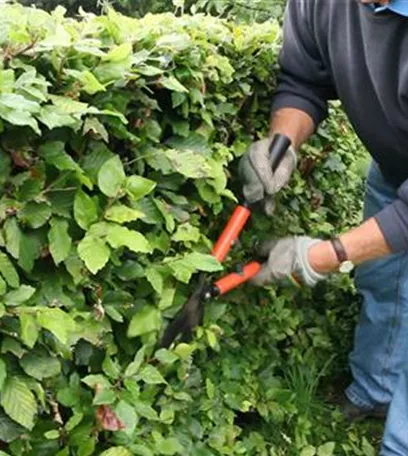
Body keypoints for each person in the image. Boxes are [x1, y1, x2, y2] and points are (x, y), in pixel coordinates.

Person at [239, 1, 408, 455]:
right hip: (397, 165)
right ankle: (375, 393)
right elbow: (303, 78)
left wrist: (317, 258)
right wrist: (281, 145)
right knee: (383, 279)